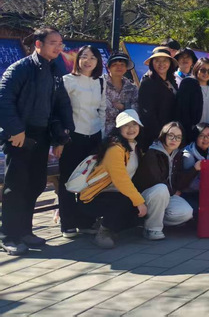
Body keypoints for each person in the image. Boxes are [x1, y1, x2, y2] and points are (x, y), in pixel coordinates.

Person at [0, 27, 73, 255]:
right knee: (16, 186)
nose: (58, 47)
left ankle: (25, 232)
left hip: (42, 135)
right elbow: (4, 99)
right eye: (53, 43)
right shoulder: (20, 68)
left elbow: (62, 104)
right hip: (20, 135)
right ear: (38, 44)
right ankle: (8, 236)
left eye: (60, 43)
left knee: (35, 184)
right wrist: (15, 130)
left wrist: (62, 136)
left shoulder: (55, 70)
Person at [79, 110, 149, 249]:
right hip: (92, 198)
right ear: (118, 128)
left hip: (114, 194)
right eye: (126, 125)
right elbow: (121, 180)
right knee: (129, 201)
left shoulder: (134, 147)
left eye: (134, 124)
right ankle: (104, 232)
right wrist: (139, 202)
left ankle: (107, 226)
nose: (131, 128)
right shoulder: (115, 149)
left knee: (134, 210)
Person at [59, 44, 105, 238]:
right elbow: (60, 110)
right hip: (73, 136)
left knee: (89, 181)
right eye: (84, 56)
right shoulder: (67, 81)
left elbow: (102, 109)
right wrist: (60, 138)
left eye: (93, 57)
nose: (88, 61)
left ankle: (85, 222)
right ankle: (67, 223)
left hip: (94, 136)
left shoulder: (100, 81)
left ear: (98, 61)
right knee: (68, 180)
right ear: (77, 59)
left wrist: (101, 134)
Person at [132, 122, 195, 240]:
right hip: (148, 195)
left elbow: (179, 181)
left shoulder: (178, 155)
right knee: (161, 189)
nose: (174, 140)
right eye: (171, 135)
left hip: (167, 195)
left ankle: (151, 219)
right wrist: (173, 191)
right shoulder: (152, 153)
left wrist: (194, 169)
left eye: (178, 137)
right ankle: (152, 229)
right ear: (164, 135)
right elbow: (156, 179)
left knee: (186, 212)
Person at [137, 46, 178, 150]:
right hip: (156, 136)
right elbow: (147, 114)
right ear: (152, 63)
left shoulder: (172, 81)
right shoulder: (147, 83)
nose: (161, 64)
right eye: (157, 61)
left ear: (170, 63)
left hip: (172, 132)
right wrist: (161, 135)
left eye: (165, 60)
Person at [176, 58, 209, 141]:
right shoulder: (188, 84)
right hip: (193, 132)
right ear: (196, 69)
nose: (206, 73)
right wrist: (188, 130)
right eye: (203, 70)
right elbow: (182, 110)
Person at [181, 122, 209, 217]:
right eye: (201, 136)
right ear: (196, 137)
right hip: (189, 193)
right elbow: (189, 183)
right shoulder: (188, 156)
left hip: (206, 193)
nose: (206, 139)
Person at [103, 52, 138, 137]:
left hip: (126, 133)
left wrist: (123, 107)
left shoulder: (132, 87)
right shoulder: (100, 84)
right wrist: (126, 110)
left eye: (122, 64)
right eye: (115, 64)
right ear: (108, 68)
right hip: (103, 132)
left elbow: (137, 109)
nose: (119, 67)